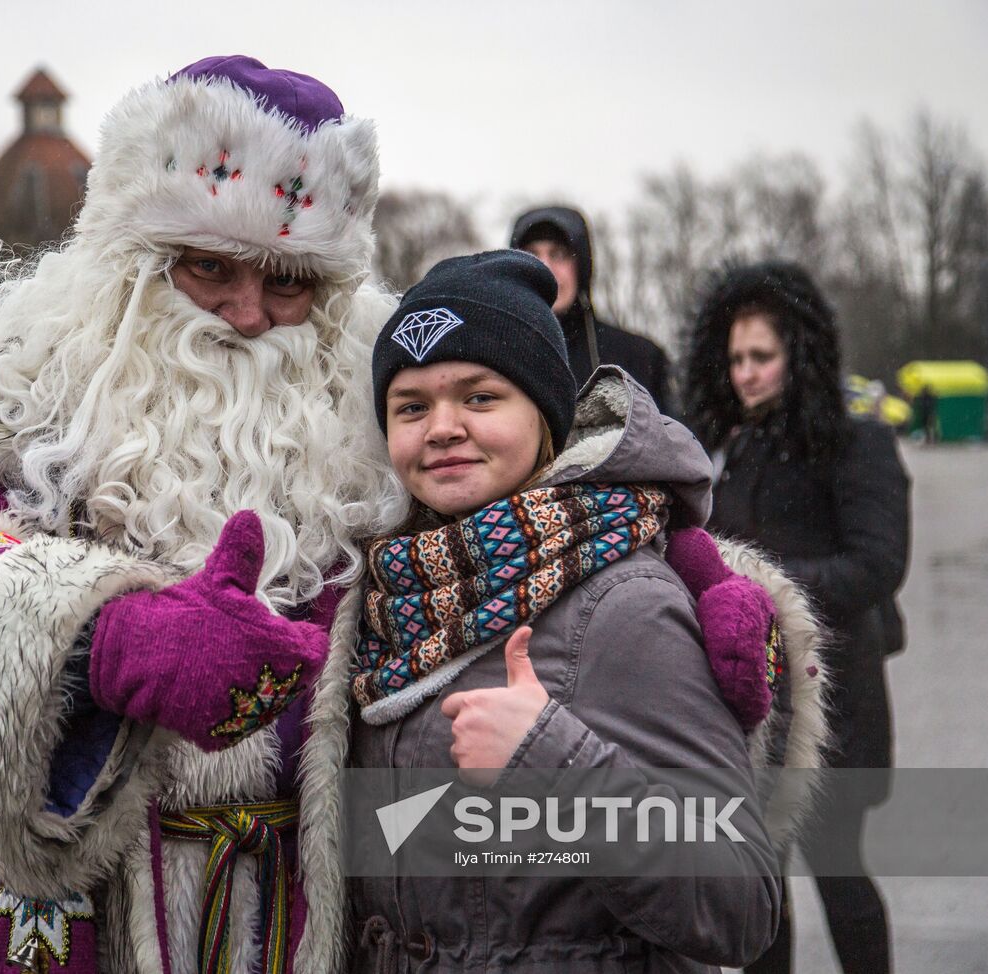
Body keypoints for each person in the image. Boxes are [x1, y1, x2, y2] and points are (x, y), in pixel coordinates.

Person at [0, 56, 407, 974]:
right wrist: (106, 637)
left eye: (288, 283)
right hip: (72, 925)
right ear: (128, 262)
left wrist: (686, 577)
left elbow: (535, 495)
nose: (247, 315)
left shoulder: (385, 424)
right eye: (209, 268)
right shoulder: (7, 394)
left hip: (306, 913)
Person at [347, 250, 826, 973]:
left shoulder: (624, 603)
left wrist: (550, 757)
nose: (442, 427)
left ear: (544, 415)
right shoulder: (391, 601)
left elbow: (740, 903)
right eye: (411, 406)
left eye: (480, 398)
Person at [685, 260, 911, 974]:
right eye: (737, 359)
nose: (747, 374)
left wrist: (761, 590)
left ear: (799, 355)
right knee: (762, 887)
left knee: (841, 874)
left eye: (763, 357)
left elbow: (878, 565)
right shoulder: (728, 449)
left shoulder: (856, 443)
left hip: (838, 699)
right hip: (752, 704)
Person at [510, 204, 674, 413]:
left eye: (558, 254)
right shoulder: (493, 356)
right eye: (531, 254)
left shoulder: (638, 358)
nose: (545, 268)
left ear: (581, 267)